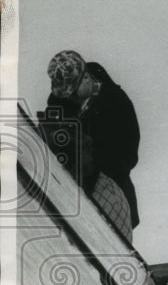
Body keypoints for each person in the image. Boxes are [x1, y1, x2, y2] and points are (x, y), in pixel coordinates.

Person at [46, 50, 140, 230]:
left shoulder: (118, 105)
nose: (69, 98)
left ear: (87, 78)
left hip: (112, 196)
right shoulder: (63, 98)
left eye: (72, 93)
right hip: (73, 191)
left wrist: (91, 157)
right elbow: (53, 122)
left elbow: (129, 157)